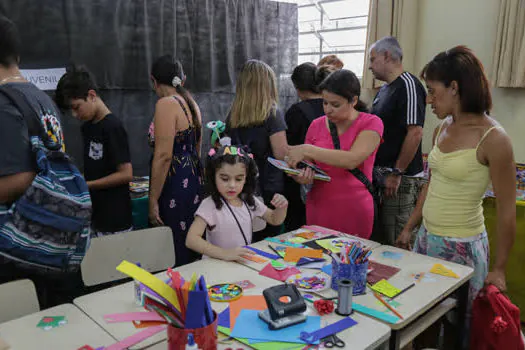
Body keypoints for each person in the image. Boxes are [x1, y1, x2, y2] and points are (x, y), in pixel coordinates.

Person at [396, 46, 516, 348]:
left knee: (459, 327)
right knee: (420, 318)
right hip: (428, 239)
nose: (428, 99)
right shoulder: (441, 129)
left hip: (463, 247)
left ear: (455, 87)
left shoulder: (494, 138)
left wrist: (498, 269)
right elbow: (430, 184)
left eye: (433, 91)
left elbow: (506, 211)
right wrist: (410, 226)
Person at [0, 15, 84, 308]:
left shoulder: (4, 102)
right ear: (17, 56)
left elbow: (20, 176)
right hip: (47, 237)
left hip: (15, 245)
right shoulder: (40, 97)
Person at [286, 69, 384, 238]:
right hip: (319, 206)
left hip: (354, 208)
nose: (328, 110)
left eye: (335, 104)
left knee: (351, 260)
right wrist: (300, 175)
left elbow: (352, 159)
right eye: (325, 103)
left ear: (353, 100)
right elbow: (307, 165)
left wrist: (307, 149)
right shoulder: (316, 125)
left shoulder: (371, 123)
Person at [55, 66, 133, 237]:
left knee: (117, 263)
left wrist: (87, 184)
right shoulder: (88, 128)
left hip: (115, 219)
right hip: (95, 216)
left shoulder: (113, 127)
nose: (75, 115)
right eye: (71, 111)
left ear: (91, 95)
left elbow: (126, 174)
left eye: (77, 107)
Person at [368, 36, 427, 245]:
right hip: (381, 177)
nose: (369, 67)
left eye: (373, 60)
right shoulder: (384, 90)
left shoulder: (408, 85)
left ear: (387, 56)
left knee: (398, 242)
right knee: (382, 239)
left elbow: (415, 132)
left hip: (401, 179)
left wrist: (397, 172)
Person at [185, 145, 288, 260]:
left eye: (238, 179)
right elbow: (191, 240)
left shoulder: (249, 200)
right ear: (213, 177)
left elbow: (275, 219)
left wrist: (281, 207)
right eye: (224, 179)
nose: (232, 185)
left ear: (246, 179)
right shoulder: (210, 204)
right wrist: (225, 253)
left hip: (241, 264)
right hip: (216, 267)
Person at [148, 55, 203, 266]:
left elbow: (163, 156)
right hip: (192, 178)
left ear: (154, 81)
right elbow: (197, 147)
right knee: (189, 240)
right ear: (183, 79)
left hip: (174, 182)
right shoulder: (192, 104)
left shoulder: (166, 104)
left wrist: (153, 199)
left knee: (172, 245)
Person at [226, 60, 288, 241]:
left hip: (240, 186)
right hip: (269, 189)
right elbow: (281, 154)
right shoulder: (272, 113)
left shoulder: (233, 115)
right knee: (267, 243)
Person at [284, 63, 335, 231]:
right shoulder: (332, 107)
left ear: (297, 88)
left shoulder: (296, 111)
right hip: (332, 174)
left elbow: (288, 148)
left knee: (300, 229)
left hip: (302, 175)